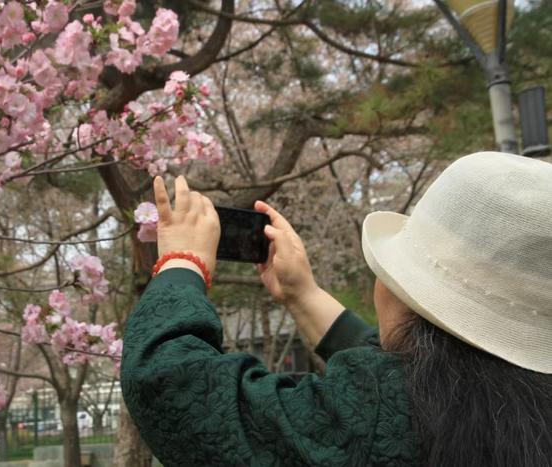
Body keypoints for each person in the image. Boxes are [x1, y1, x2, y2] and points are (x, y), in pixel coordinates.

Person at [120, 151, 552, 467]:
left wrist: (182, 263)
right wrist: (303, 295)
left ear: (410, 299)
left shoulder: (382, 410)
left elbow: (170, 384)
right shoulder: (516, 403)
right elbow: (416, 380)